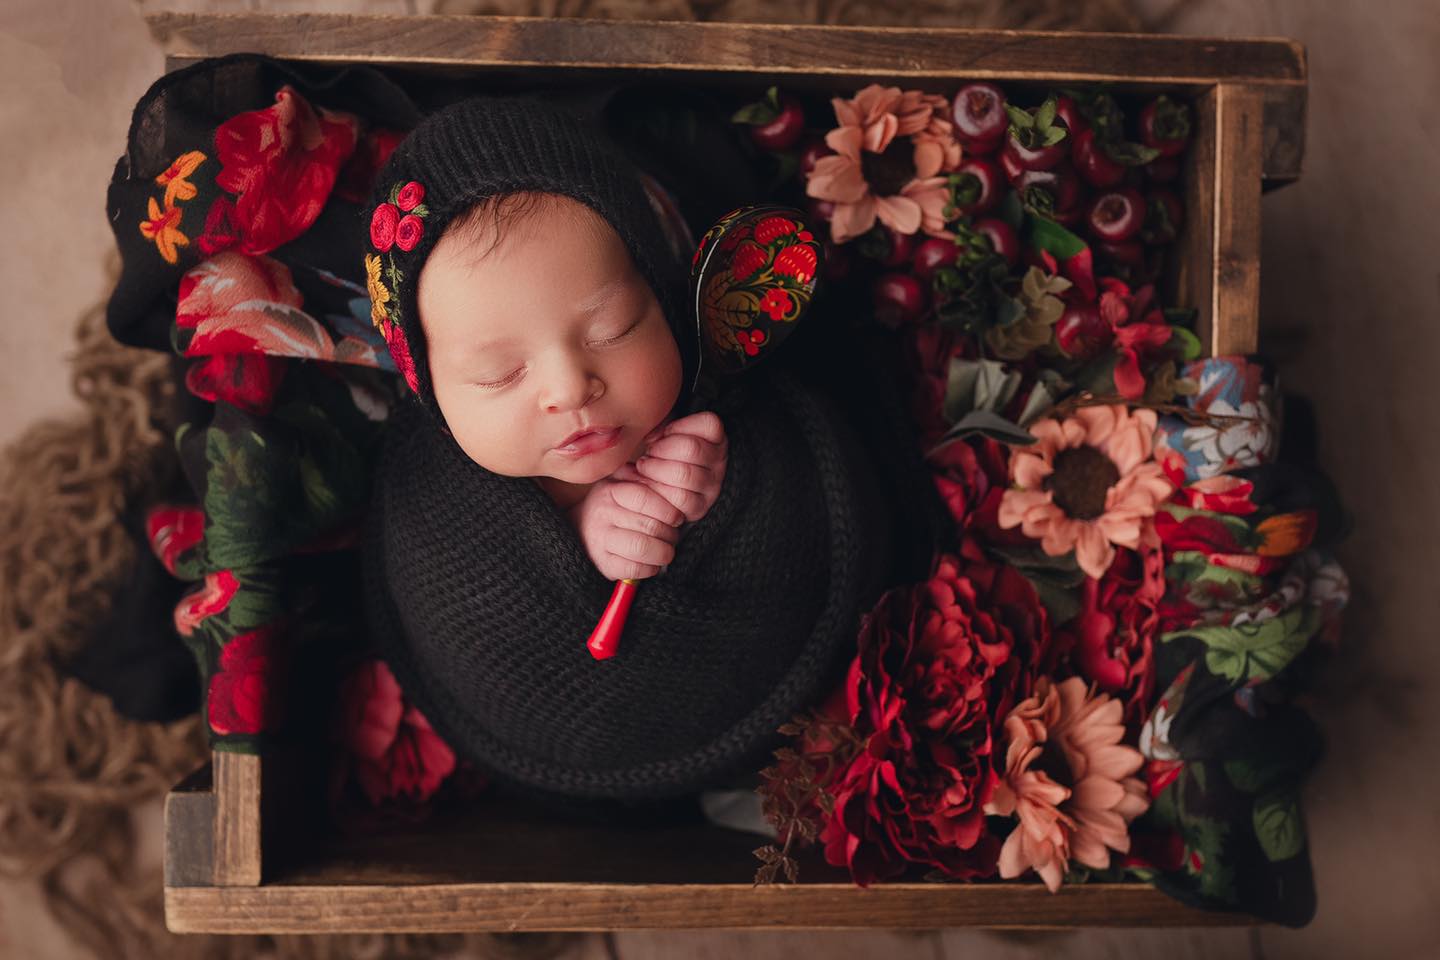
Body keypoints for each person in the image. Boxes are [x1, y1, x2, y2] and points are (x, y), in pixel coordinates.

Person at [360, 94, 935, 814]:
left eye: (614, 327)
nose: (571, 387)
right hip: (553, 755)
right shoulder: (432, 505)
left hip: (773, 687)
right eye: (500, 375)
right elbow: (455, 596)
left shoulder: (716, 390)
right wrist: (574, 535)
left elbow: (804, 488)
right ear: (430, 392)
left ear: (660, 296)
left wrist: (724, 488)